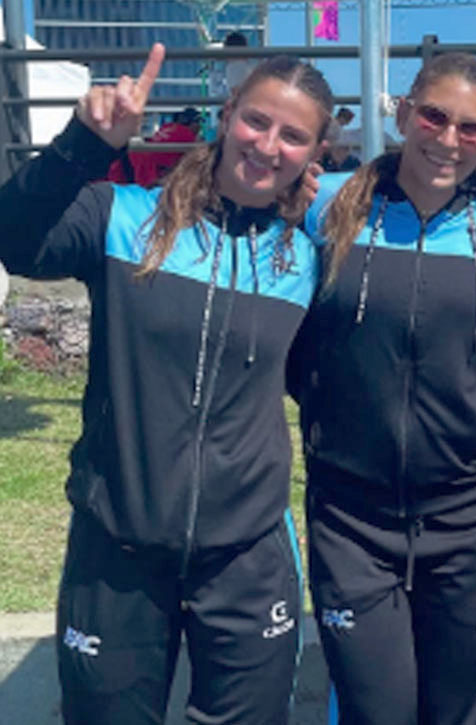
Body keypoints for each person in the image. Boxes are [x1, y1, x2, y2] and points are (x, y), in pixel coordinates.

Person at [0, 45, 334, 724]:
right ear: (226, 115)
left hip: (247, 557)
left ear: (314, 152)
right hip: (115, 549)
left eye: (293, 135)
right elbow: (16, 238)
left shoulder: (306, 258)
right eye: (256, 121)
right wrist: (85, 143)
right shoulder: (123, 217)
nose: (268, 145)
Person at [289, 52, 476, 725]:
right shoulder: (325, 206)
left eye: (471, 128)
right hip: (351, 518)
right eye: (434, 117)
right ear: (404, 113)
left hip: (469, 518)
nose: (448, 139)